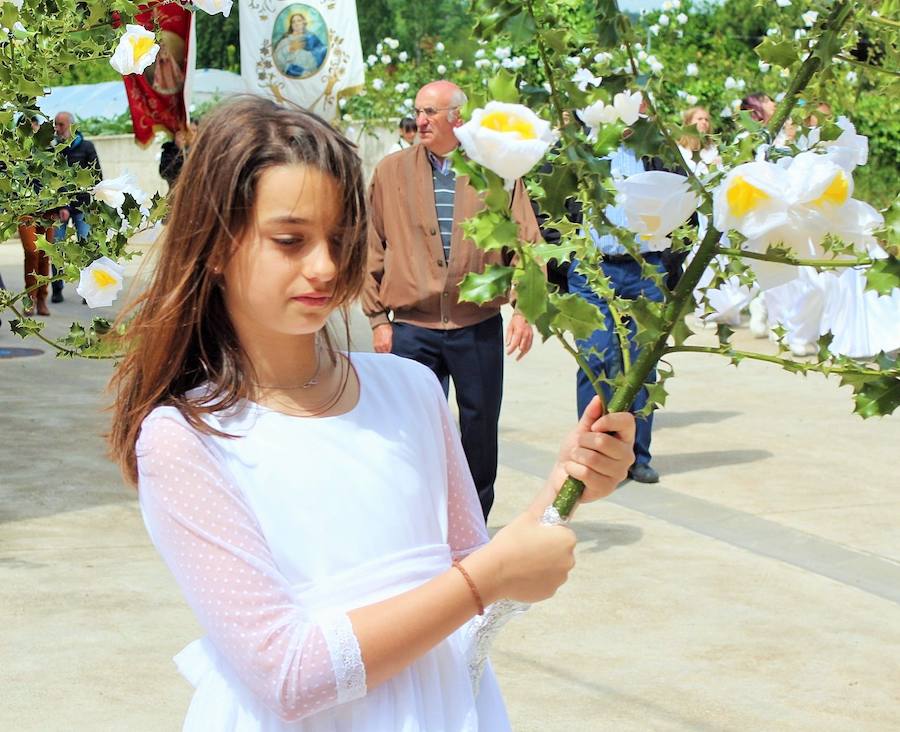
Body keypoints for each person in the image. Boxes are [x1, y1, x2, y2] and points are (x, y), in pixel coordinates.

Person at [107, 95, 636, 731]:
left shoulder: (410, 389)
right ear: (216, 245)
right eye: (290, 240)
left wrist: (564, 487)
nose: (325, 266)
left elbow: (472, 593)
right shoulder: (186, 438)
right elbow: (287, 676)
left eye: (338, 239)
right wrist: (485, 578)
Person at [362, 80, 541, 520]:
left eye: (430, 112)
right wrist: (378, 319)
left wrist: (524, 307)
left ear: (457, 117)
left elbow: (526, 240)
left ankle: (473, 528)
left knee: (479, 429)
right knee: (412, 430)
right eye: (418, 111)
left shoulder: (495, 171)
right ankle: (419, 523)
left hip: (475, 325)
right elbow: (372, 245)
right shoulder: (390, 172)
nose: (420, 121)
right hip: (411, 328)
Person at [567, 127, 667, 484]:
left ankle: (636, 455)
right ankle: (595, 453)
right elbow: (547, 206)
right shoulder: (577, 144)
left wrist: (670, 266)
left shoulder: (658, 145)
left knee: (642, 364)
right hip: (593, 269)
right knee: (595, 359)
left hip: (646, 267)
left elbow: (684, 203)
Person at [52, 111, 101, 303]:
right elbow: (54, 178)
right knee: (56, 248)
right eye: (56, 124)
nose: (57, 128)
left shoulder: (87, 146)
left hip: (83, 206)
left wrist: (97, 201)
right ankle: (57, 288)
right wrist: (62, 204)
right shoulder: (55, 149)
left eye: (61, 125)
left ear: (71, 126)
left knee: (87, 246)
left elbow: (97, 174)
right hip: (60, 207)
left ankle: (88, 291)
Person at [273, 12, 327, 78]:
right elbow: (276, 60)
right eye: (293, 22)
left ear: (304, 23)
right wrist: (290, 48)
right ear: (291, 25)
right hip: (292, 74)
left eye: (299, 20)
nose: (296, 23)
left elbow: (323, 53)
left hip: (312, 75)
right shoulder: (285, 41)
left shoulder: (312, 38)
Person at [676, 106, 721, 176]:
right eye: (699, 119)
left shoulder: (712, 149)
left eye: (706, 120)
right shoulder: (679, 151)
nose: (704, 122)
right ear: (688, 123)